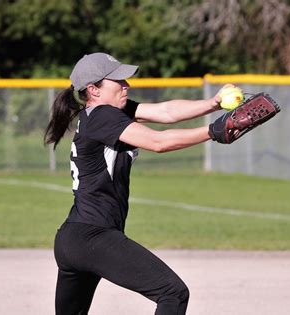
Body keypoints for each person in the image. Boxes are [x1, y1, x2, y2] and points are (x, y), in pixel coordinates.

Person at [44, 52, 232, 315]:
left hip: (73, 240)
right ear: (93, 90)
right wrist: (213, 132)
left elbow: (166, 112)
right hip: (94, 236)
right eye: (118, 81)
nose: (126, 85)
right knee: (172, 293)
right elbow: (159, 143)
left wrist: (213, 104)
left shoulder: (101, 114)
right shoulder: (103, 116)